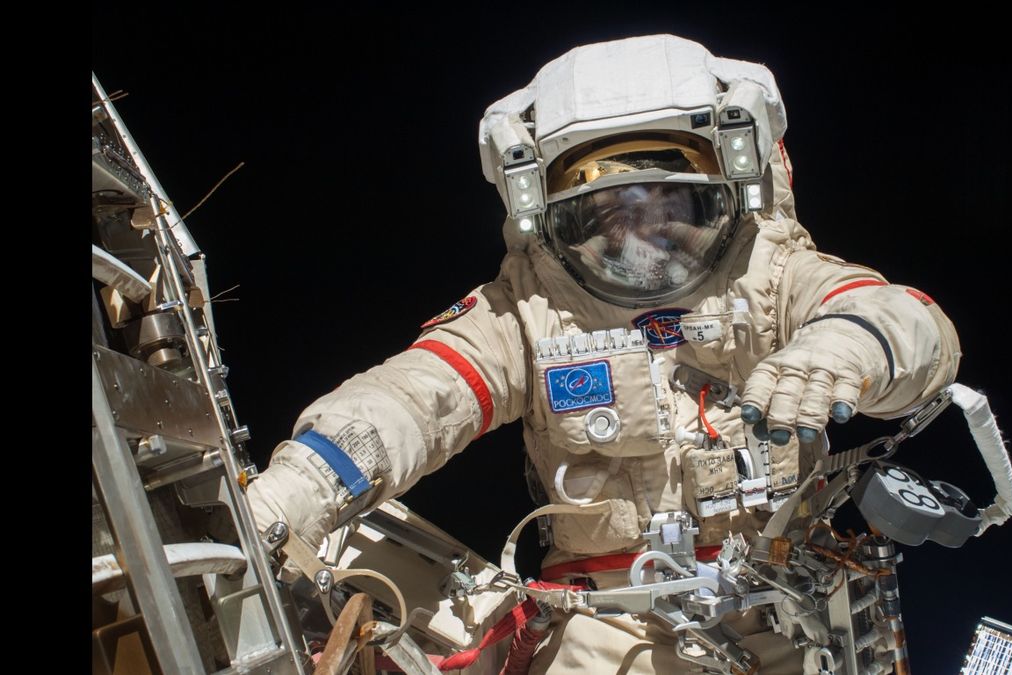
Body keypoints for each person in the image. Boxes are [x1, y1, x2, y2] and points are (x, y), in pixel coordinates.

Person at [247, 34, 961, 673]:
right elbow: (415, 396)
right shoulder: (529, 310)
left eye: (666, 205)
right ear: (554, 222)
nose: (640, 237)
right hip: (601, 621)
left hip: (775, 607)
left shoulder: (768, 272)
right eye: (609, 216)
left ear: (723, 194)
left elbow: (905, 319)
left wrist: (843, 346)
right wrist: (307, 480)